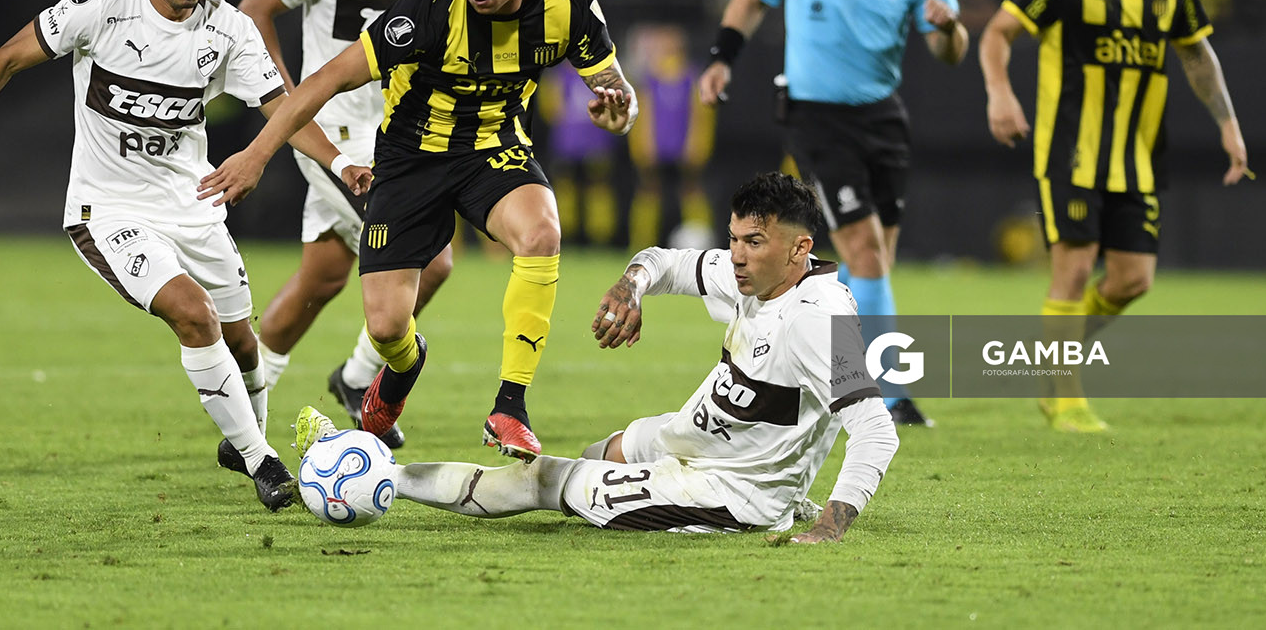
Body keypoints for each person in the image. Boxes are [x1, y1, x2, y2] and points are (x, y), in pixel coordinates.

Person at [0, 0, 357, 511]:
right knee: (194, 315)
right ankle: (260, 460)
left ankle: (243, 437)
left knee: (244, 345)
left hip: (193, 204)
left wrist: (343, 163)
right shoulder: (101, 10)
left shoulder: (230, 31)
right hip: (107, 209)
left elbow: (286, 110)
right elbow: (5, 58)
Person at [199, 0, 638, 461]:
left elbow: (617, 93)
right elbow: (328, 78)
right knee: (385, 327)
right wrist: (257, 153)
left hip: (493, 149)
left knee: (542, 233)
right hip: (410, 160)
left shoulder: (569, 1)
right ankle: (404, 365)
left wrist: (620, 112)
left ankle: (510, 407)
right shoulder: (429, 6)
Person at [293, 172, 900, 539]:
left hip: (726, 488)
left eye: (754, 243)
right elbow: (664, 261)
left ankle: (378, 478)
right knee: (598, 454)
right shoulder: (755, 278)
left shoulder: (821, 321)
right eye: (735, 239)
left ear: (801, 249)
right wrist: (631, 285)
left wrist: (831, 523)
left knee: (540, 481)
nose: (737, 256)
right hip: (699, 436)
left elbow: (875, 431)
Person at [698, 0, 968, 428]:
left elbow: (951, 51)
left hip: (882, 117)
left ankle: (801, 351)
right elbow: (749, 0)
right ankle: (882, 395)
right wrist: (723, 58)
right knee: (867, 251)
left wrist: (950, 32)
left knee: (875, 261)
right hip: (814, 116)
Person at [980, 0, 1251, 433]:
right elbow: (997, 33)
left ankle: (1056, 354)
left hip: (1139, 156)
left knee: (1133, 281)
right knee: (1073, 272)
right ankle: (1065, 397)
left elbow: (1197, 55)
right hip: (1070, 152)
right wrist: (1000, 95)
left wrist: (1227, 124)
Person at [237, 0, 454, 448]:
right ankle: (362, 381)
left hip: (402, 134)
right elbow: (254, 12)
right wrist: (284, 101)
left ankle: (245, 417)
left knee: (322, 279)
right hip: (334, 133)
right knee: (433, 258)